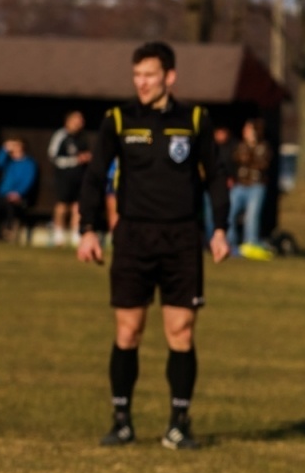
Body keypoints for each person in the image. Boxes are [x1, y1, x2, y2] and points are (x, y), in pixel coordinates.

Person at [77, 41, 231, 451]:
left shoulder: (195, 119)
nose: (141, 83)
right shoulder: (119, 119)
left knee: (180, 331)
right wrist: (87, 229)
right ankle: (122, 420)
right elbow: (94, 177)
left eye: (149, 75)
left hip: (182, 238)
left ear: (170, 77)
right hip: (133, 237)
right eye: (137, 75)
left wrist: (219, 229)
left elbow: (216, 176)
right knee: (129, 330)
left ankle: (179, 424)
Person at [0, 138, 39, 240]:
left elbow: (28, 181)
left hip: (19, 196)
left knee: (10, 208)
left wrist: (18, 193)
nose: (13, 148)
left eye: (16, 146)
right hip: (2, 194)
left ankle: (8, 231)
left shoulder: (29, 164)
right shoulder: (9, 162)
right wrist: (4, 149)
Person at [229, 119, 273, 259]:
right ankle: (230, 244)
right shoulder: (241, 146)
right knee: (229, 212)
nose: (245, 132)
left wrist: (252, 151)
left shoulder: (264, 147)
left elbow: (263, 164)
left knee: (251, 216)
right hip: (240, 185)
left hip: (256, 186)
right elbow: (236, 159)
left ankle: (250, 244)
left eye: (248, 129)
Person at [47, 111, 92, 247]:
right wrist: (74, 160)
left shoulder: (83, 137)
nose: (79, 123)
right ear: (68, 121)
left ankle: (75, 235)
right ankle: (58, 235)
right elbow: (53, 156)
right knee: (62, 205)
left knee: (77, 206)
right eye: (76, 120)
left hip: (80, 176)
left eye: (81, 120)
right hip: (64, 176)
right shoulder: (61, 135)